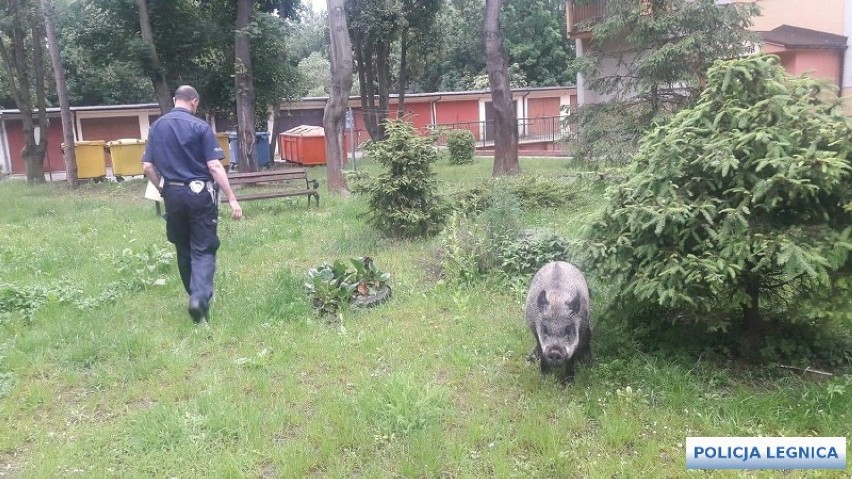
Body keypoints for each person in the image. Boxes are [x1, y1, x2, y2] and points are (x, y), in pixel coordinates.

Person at [142, 85, 243, 326]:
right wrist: (232, 198)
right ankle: (199, 299)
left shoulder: (157, 127)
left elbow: (147, 167)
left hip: (173, 194)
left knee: (183, 246)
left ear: (176, 100)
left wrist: (164, 190)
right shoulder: (200, 127)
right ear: (194, 102)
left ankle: (193, 297)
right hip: (199, 194)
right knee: (203, 248)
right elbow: (215, 166)